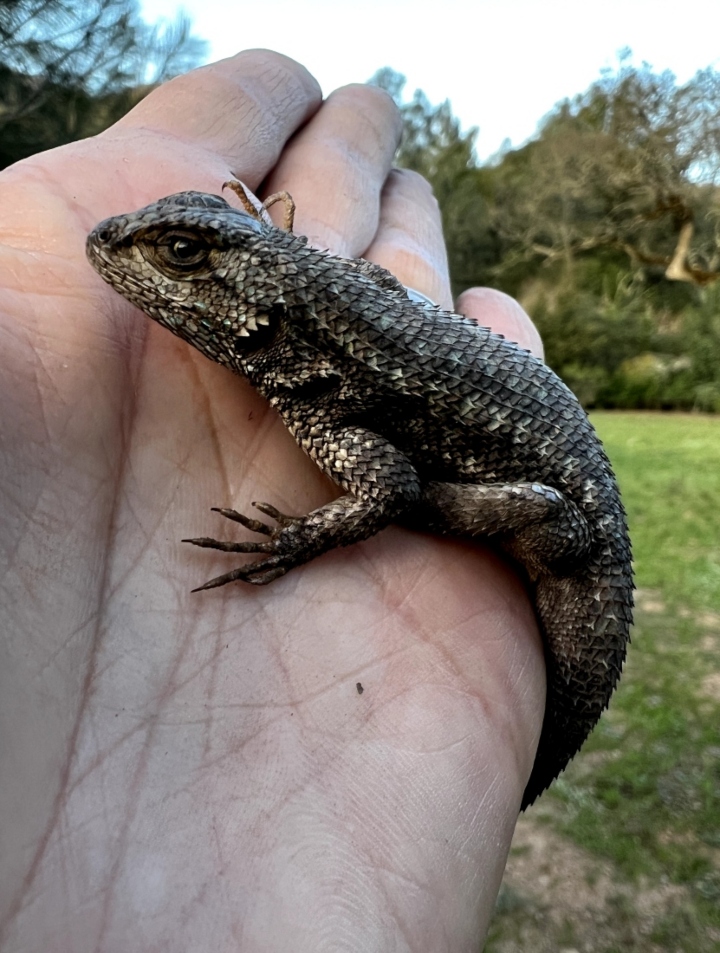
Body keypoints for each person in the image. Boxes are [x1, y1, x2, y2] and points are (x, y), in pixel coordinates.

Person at [0, 49, 547, 951]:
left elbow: (391, 483)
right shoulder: (307, 346)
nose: (126, 251)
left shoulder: (317, 392)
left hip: (559, 512)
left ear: (264, 307)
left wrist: (292, 539)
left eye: (183, 255)